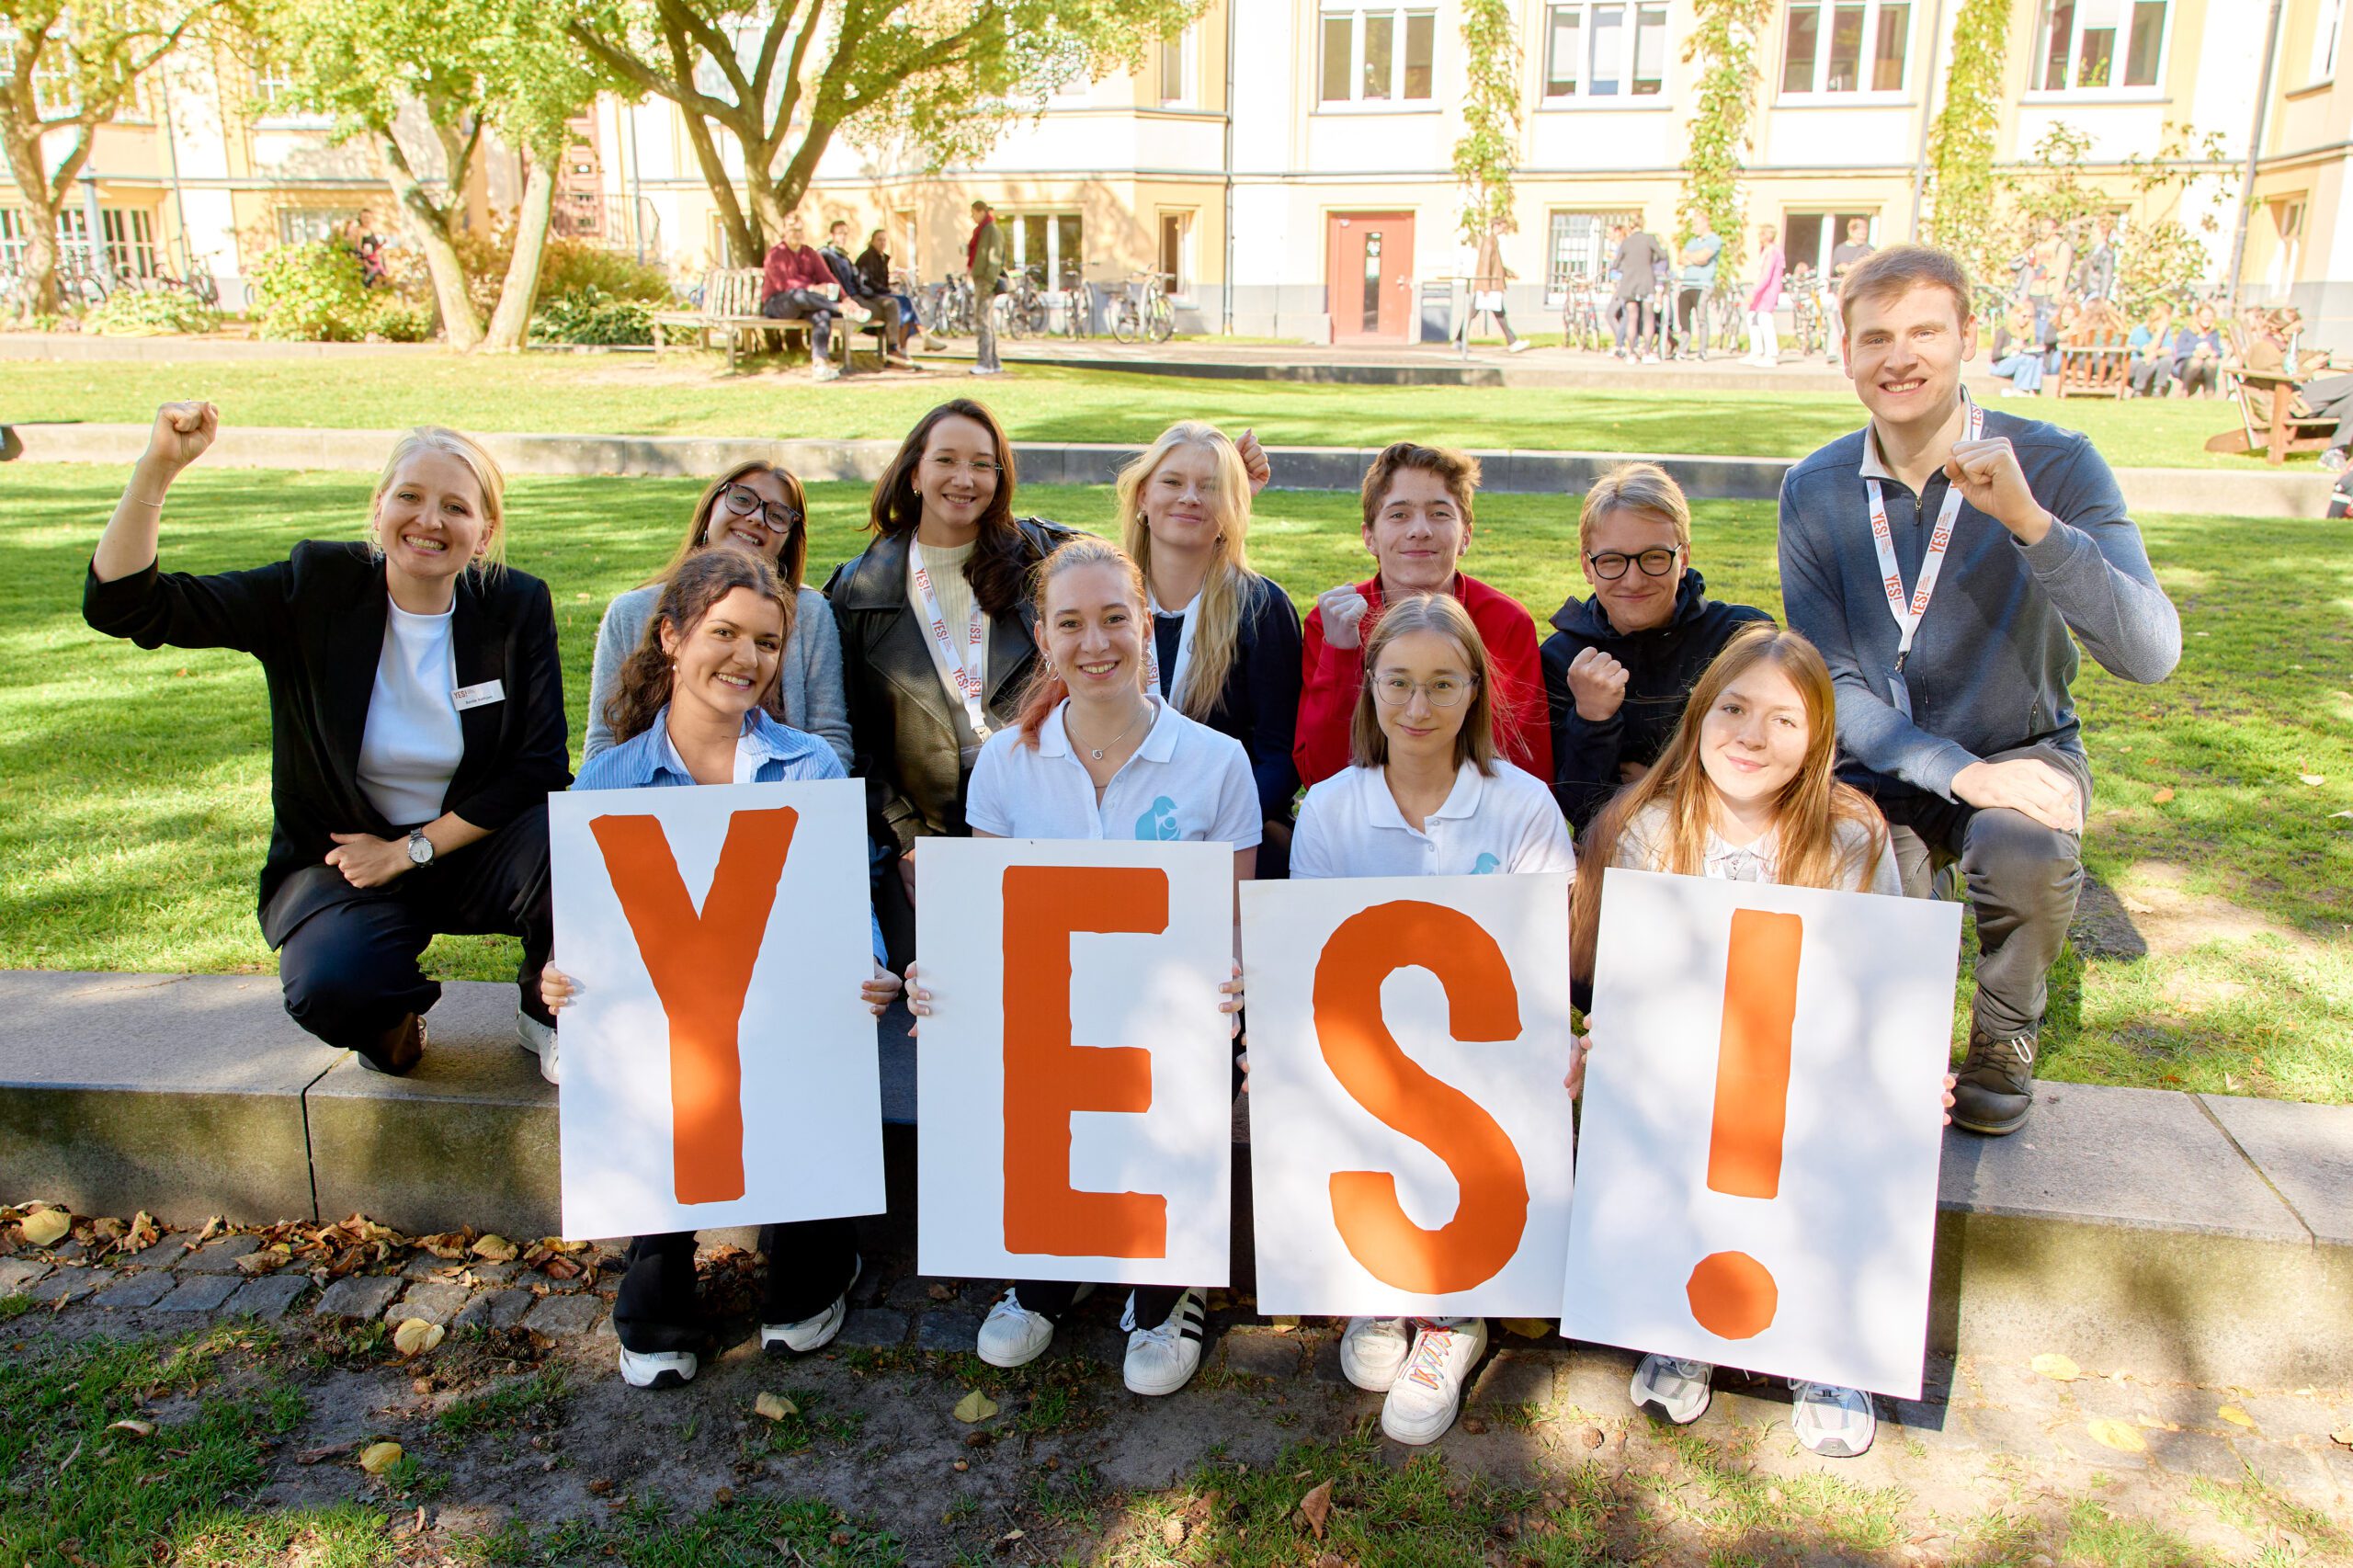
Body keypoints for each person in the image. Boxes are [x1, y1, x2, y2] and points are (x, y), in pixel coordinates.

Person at [1779, 244, 2181, 1137]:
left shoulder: (2058, 463)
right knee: (1869, 876)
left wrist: (2033, 525)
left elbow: (2150, 653)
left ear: (1969, 336)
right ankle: (1900, 1051)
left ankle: (2003, 1032)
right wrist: (1958, 773)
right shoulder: (1813, 487)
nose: (1900, 358)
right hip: (1881, 760)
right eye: (1875, 338)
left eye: (1925, 332)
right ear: (1845, 354)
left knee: (2024, 848)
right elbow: (1832, 683)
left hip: (2023, 744)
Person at [84, 404, 568, 1077]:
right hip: (347, 860)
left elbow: (538, 767)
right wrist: (158, 467)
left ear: (484, 533)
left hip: (469, 847)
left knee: (573, 842)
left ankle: (546, 1015)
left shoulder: (515, 604)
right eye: (410, 497)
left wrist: (410, 850)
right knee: (335, 986)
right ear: (378, 508)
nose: (429, 520)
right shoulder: (313, 587)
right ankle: (393, 1024)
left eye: (455, 507)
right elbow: (126, 606)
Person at [1567, 624, 1946, 1460]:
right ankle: (1678, 1323)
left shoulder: (1851, 836)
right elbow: (1623, 982)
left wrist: (1913, 1068)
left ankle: (1826, 1350)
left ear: (1817, 740)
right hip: (1686, 1089)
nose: (1751, 736)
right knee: (1672, 1142)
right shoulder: (1647, 829)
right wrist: (1607, 1045)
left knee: (1829, 1149)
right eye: (1733, 709)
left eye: (1783, 720)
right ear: (1699, 716)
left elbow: (1885, 985)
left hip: (1807, 1085)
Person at [906, 536, 1257, 1397]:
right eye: (1070, 624)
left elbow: (1233, 925)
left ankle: (1167, 1282)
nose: (1095, 643)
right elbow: (989, 923)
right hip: (1051, 1019)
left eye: (1114, 619)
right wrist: (940, 979)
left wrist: (1241, 986)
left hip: (1171, 1024)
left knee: (1194, 1045)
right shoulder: (1006, 763)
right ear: (1043, 636)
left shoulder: (1218, 763)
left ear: (1146, 626)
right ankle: (1047, 1266)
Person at [541, 551, 903, 1389]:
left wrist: (872, 965)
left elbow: (846, 901)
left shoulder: (808, 767)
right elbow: (592, 926)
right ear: (672, 637)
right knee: (660, 1061)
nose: (747, 658)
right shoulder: (611, 778)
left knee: (810, 1047)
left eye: (767, 643)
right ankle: (659, 1263)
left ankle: (816, 1250)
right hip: (676, 1030)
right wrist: (562, 974)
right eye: (725, 634)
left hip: (783, 1021)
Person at [1289, 592, 1576, 1445]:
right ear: (1370, 686)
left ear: (1476, 690)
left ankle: (1454, 1312)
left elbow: (1541, 962)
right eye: (1400, 682)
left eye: (1444, 684)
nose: (1419, 706)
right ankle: (1382, 1283)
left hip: (1484, 1063)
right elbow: (1308, 965)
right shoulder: (1331, 808)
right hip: (1370, 1061)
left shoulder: (1524, 805)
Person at [824, 399, 1074, 970]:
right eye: (946, 461)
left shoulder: (1044, 563)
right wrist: (907, 840)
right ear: (914, 473)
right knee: (935, 987)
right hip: (925, 830)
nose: (965, 479)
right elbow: (857, 741)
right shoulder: (858, 591)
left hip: (1038, 812)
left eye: (982, 464)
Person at [1295, 442, 1552, 788]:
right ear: (1369, 537)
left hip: (1477, 812)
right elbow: (1321, 775)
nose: (1420, 530)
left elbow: (1523, 767)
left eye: (1439, 513)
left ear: (1466, 536)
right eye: (1398, 515)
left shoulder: (1504, 621)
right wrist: (1341, 653)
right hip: (1362, 813)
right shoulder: (1332, 621)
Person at [1540, 462, 1771, 832]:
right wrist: (1592, 719)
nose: (1634, 580)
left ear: (1684, 557)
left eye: (1654, 557)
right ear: (1587, 566)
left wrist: (1657, 789)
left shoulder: (1740, 638)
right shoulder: (1562, 659)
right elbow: (1580, 810)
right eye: (1612, 560)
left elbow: (1775, 768)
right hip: (1616, 854)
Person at [1118, 422, 1304, 876]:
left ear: (1232, 506)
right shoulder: (1107, 599)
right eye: (1172, 482)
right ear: (1142, 496)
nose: (1190, 497)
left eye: (1210, 487)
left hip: (1226, 835)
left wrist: (1211, 829)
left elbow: (1280, 756)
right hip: (1115, 826)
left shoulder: (1260, 607)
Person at [584, 462, 849, 767]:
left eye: (777, 515)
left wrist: (807, 787)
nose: (756, 517)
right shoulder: (630, 611)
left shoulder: (811, 612)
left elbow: (830, 736)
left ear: (789, 537)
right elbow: (605, 742)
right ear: (711, 505)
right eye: (742, 499)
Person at [762, 212, 867, 384]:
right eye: (792, 229)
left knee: (822, 315)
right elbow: (784, 284)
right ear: (784, 231)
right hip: (778, 302)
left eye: (799, 230)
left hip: (806, 302)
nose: (796, 234)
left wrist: (845, 298)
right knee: (800, 295)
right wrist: (812, 288)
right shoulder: (775, 255)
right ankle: (840, 309)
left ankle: (819, 364)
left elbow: (827, 277)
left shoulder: (809, 253)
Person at [821, 220, 907, 366]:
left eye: (845, 234)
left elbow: (858, 281)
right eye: (840, 233)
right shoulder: (826, 255)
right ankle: (892, 356)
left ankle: (893, 350)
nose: (843, 237)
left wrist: (873, 293)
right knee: (889, 309)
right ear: (832, 235)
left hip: (860, 297)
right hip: (845, 301)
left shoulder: (844, 257)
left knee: (892, 303)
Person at [856, 227, 942, 354]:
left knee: (905, 308)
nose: (882, 243)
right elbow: (867, 282)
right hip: (871, 296)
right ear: (872, 241)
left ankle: (907, 346)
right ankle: (917, 339)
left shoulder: (882, 258)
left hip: (881, 293)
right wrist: (887, 290)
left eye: (884, 240)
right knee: (903, 305)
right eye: (879, 240)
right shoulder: (867, 258)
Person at [1460, 213, 1529, 353]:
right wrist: (1485, 286)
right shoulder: (1490, 242)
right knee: (1496, 314)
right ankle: (1512, 342)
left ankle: (1459, 340)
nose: (1504, 229)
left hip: (1489, 285)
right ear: (1496, 226)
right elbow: (1485, 265)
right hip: (1489, 287)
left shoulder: (1493, 241)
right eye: (1503, 226)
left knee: (1479, 314)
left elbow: (1495, 265)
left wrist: (1509, 273)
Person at [1612, 220, 1665, 363]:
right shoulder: (1649, 239)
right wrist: (1650, 260)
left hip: (1629, 283)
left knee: (1631, 317)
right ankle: (1646, 352)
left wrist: (1627, 268)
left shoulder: (1626, 242)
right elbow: (1662, 255)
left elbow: (1616, 264)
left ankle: (1631, 353)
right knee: (1648, 316)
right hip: (1646, 282)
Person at [1826, 217, 1876, 361]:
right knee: (1835, 323)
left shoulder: (1869, 249)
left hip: (1858, 292)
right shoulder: (1840, 249)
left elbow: (1873, 271)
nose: (1862, 236)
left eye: (1864, 233)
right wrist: (1839, 268)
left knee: (1850, 324)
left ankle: (1848, 355)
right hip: (1839, 291)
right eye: (1859, 233)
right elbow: (1832, 269)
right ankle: (1832, 352)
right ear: (1851, 232)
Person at [1675, 212, 1721, 359]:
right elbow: (1680, 258)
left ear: (1705, 223)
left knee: (1701, 319)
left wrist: (1691, 257)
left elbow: (1704, 258)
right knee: (1683, 319)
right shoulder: (1692, 241)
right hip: (1686, 284)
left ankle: (1702, 352)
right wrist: (1694, 258)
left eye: (1696, 224)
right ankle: (1683, 350)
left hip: (1703, 285)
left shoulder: (1714, 240)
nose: (1693, 227)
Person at [968, 200, 1006, 377]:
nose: (972, 217)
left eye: (973, 213)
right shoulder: (983, 230)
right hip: (981, 280)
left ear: (981, 211)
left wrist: (989, 283)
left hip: (986, 282)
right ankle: (994, 362)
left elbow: (995, 258)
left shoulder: (991, 230)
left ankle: (985, 362)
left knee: (983, 322)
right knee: (986, 322)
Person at [1745, 223, 1785, 367]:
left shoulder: (1773, 252)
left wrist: (1754, 292)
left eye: (1761, 234)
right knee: (1752, 317)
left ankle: (1771, 355)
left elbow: (1767, 275)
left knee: (1764, 319)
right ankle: (1756, 351)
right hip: (1761, 290)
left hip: (1769, 291)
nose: (1759, 237)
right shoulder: (1765, 251)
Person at [1988, 301, 2046, 397]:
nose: (2026, 320)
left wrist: (2030, 348)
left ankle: (2034, 389)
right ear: (2015, 315)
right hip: (1999, 365)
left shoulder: (2027, 333)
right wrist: (2012, 348)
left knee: (2037, 359)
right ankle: (2020, 388)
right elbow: (1995, 355)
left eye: (2029, 317)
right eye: (2024, 316)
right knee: (2025, 359)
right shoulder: (2004, 331)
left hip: (2019, 362)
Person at [2172, 301, 2224, 398]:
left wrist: (2212, 353)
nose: (2207, 319)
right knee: (2196, 362)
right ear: (2198, 317)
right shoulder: (2187, 332)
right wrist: (2194, 353)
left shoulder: (2214, 333)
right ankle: (2184, 389)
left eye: (2210, 316)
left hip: (2206, 367)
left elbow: (2219, 351)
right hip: (2187, 366)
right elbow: (2179, 352)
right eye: (2205, 316)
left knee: (2212, 362)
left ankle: (2209, 391)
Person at [2127, 300, 2176, 398]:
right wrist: (2159, 333)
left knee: (2167, 360)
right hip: (2135, 363)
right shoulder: (2140, 331)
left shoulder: (2165, 332)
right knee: (2151, 362)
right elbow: (2147, 351)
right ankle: (2138, 390)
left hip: (2153, 359)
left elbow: (2169, 350)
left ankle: (2157, 389)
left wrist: (2155, 353)